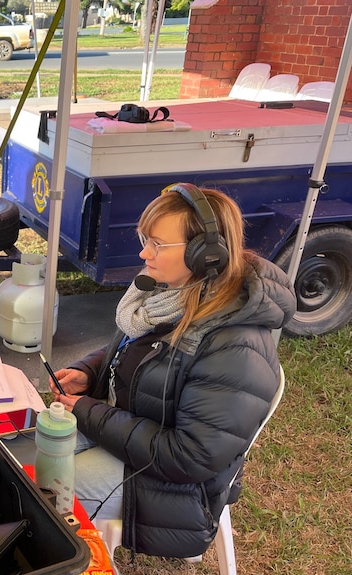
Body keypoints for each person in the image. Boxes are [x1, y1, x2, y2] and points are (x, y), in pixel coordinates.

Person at [47, 183, 296, 558]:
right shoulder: (169, 297)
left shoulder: (235, 344)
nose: (143, 252)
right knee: (33, 456)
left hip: (173, 493)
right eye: (145, 239)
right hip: (127, 434)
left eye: (157, 244)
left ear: (205, 254)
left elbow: (190, 457)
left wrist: (88, 412)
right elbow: (138, 352)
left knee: (47, 487)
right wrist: (90, 371)